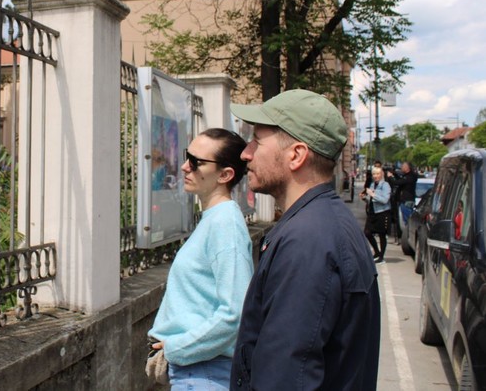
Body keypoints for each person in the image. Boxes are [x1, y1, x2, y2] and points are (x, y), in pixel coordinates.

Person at [229, 89, 380, 390]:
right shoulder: (326, 223)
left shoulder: (307, 242)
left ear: (296, 155)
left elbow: (284, 377)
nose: (246, 152)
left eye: (257, 140)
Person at [147, 128, 253, 390]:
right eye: (187, 157)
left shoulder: (225, 224)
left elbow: (235, 313)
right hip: (197, 370)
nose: (185, 167)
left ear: (225, 175)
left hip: (205, 372)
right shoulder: (215, 219)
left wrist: (175, 349)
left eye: (196, 163)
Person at [363, 166, 392, 263]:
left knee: (382, 235)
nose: (375, 176)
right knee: (367, 232)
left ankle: (381, 256)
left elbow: (385, 200)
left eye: (377, 174)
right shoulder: (372, 184)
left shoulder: (385, 185)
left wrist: (373, 195)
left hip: (382, 213)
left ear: (381, 174)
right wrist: (365, 197)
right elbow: (370, 199)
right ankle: (377, 252)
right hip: (372, 213)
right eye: (374, 174)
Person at [389, 161, 418, 243]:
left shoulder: (410, 176)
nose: (401, 168)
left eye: (403, 166)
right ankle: (405, 238)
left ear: (407, 168)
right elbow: (400, 180)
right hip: (405, 201)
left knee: (406, 221)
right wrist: (394, 174)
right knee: (404, 220)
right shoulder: (408, 176)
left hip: (406, 201)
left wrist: (391, 177)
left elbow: (397, 182)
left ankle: (407, 239)